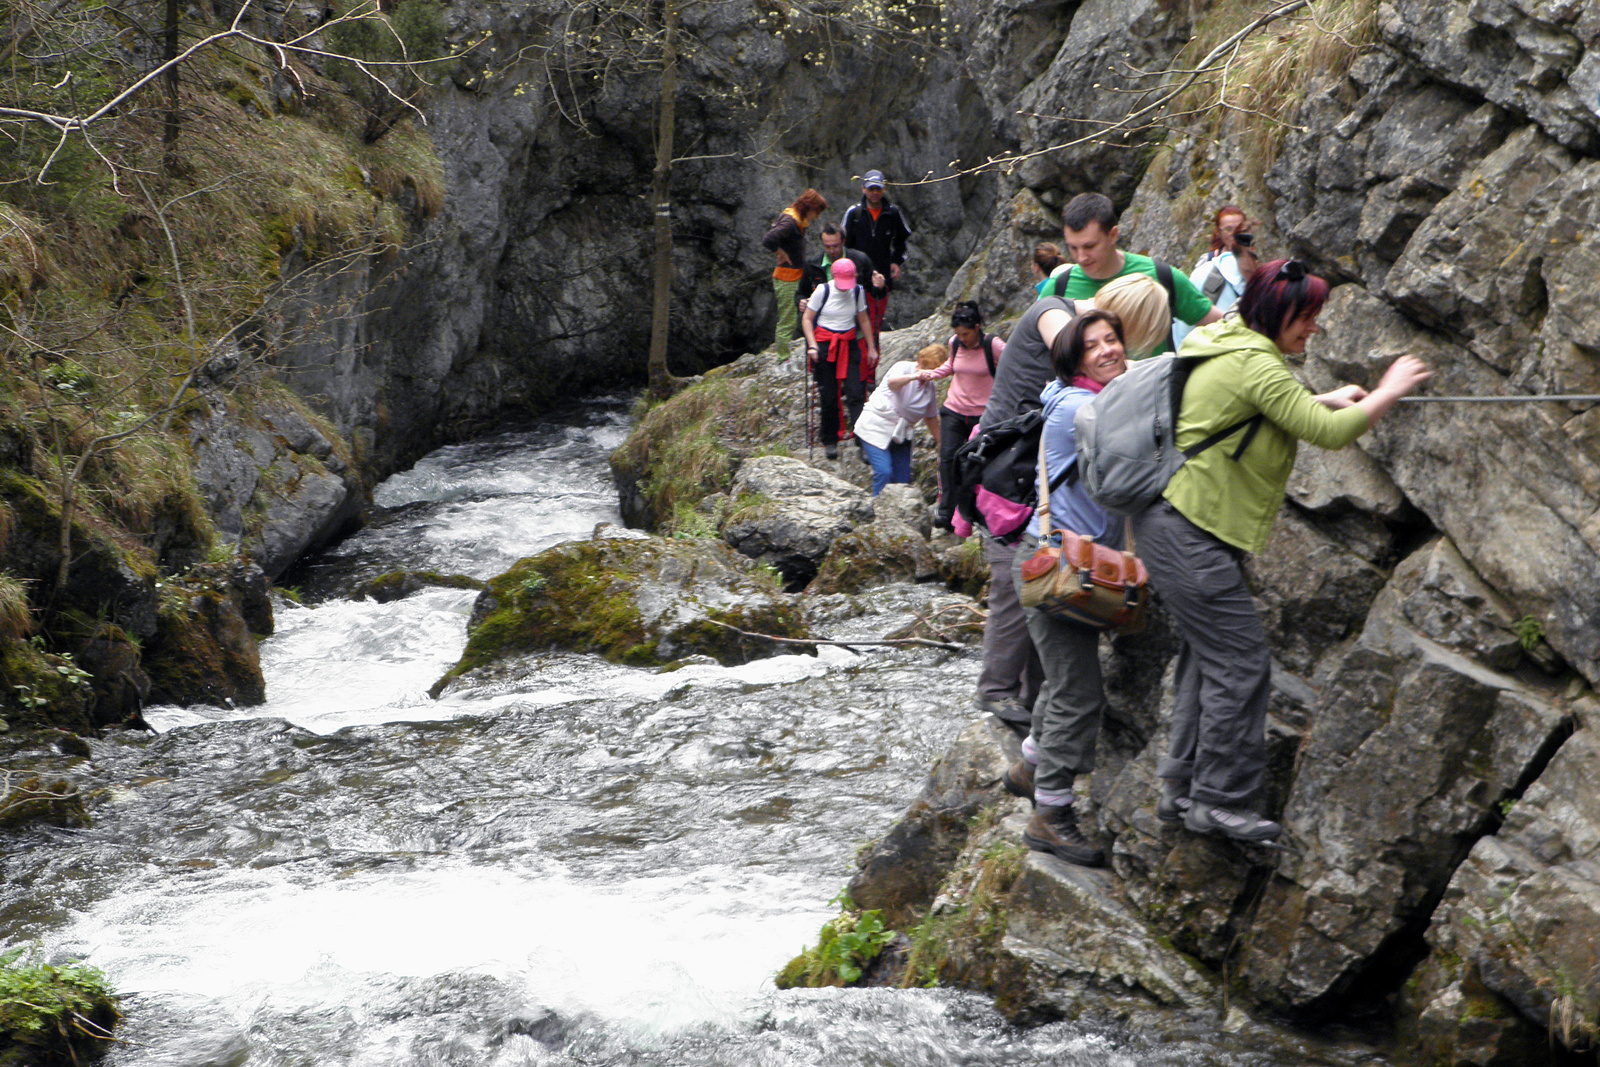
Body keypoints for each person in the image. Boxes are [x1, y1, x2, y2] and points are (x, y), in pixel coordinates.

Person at [1133, 260, 1432, 842]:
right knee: (1242, 665)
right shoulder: (1256, 363)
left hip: (1176, 525)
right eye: (1307, 317)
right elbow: (1327, 435)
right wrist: (1390, 390)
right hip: (1191, 531)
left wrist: (1320, 397)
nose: (1313, 329)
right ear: (1278, 313)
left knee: (1207, 660)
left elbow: (1257, 410)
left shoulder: (1227, 341)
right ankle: (1220, 801)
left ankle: (1182, 788)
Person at [971, 274, 1172, 735]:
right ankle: (999, 693)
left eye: (1117, 340)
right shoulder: (1055, 318)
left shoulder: (1088, 382)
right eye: (1102, 342)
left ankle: (1034, 713)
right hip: (1010, 488)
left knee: (1047, 615)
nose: (1114, 350)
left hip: (1035, 486)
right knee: (1016, 588)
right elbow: (1069, 345)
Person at [1005, 309, 1136, 867]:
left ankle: (1029, 766)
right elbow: (1138, 438)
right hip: (1052, 565)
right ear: (1072, 360)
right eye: (1093, 346)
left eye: (1114, 340)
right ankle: (1051, 815)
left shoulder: (1081, 394)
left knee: (1065, 681)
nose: (1107, 350)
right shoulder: (1079, 409)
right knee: (1079, 692)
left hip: (1067, 562)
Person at [1039, 192, 1221, 355]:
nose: (1081, 257)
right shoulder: (1057, 288)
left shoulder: (1161, 276)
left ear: (1113, 235)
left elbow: (1217, 322)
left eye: (1089, 246)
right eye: (1072, 247)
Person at [920, 301, 1004, 531]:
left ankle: (973, 511)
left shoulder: (992, 345)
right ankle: (946, 512)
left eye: (966, 333)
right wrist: (929, 374)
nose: (962, 338)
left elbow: (1011, 365)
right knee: (948, 458)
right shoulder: (955, 343)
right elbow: (951, 365)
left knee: (976, 463)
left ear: (977, 327)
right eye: (958, 334)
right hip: (954, 411)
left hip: (983, 416)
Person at [801, 257, 878, 460]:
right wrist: (812, 345)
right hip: (826, 344)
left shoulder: (857, 291)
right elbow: (807, 319)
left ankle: (862, 441)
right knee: (829, 395)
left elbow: (863, 319)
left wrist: (871, 347)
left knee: (856, 393)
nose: (845, 288)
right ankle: (830, 439)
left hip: (849, 342)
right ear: (834, 277)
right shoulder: (822, 291)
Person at [854, 344, 943, 495]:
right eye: (926, 367)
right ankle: (878, 507)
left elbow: (931, 416)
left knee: (903, 480)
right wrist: (915, 376)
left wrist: (940, 440)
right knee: (884, 472)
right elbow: (893, 384)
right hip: (875, 427)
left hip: (901, 434)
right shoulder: (903, 367)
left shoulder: (930, 388)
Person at [1173, 206, 1260, 350]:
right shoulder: (1206, 272)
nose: (1255, 265)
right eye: (1228, 229)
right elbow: (1183, 329)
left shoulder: (1272, 281)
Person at [841, 169, 911, 345]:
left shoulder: (892, 213)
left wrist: (896, 261)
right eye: (871, 188)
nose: (874, 193)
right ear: (863, 189)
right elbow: (843, 245)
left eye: (878, 189)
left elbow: (902, 239)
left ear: (883, 189)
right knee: (855, 323)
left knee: (875, 323)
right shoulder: (854, 213)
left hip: (882, 276)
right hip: (856, 279)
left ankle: (871, 361)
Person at [763, 189, 828, 357]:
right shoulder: (790, 222)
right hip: (786, 278)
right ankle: (783, 359)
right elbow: (769, 239)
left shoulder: (796, 220)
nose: (817, 216)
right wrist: (781, 252)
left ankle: (786, 354)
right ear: (809, 208)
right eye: (817, 211)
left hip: (795, 275)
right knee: (788, 320)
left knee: (795, 317)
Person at [798, 224, 883, 316]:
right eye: (827, 246)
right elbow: (801, 293)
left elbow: (873, 294)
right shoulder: (812, 264)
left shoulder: (860, 260)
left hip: (854, 317)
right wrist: (801, 302)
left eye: (835, 246)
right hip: (822, 319)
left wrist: (879, 286)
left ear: (843, 242)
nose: (831, 251)